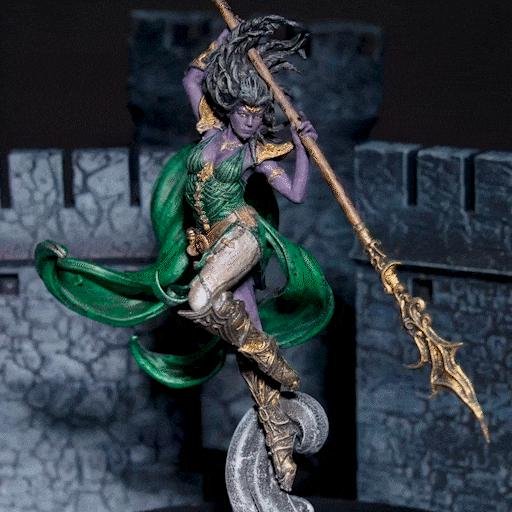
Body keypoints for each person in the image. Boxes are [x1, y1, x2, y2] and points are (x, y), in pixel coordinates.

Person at [35, 16, 334, 492]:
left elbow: (296, 194)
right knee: (246, 341)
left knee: (200, 301)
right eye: (244, 111)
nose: (251, 120)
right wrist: (227, 38)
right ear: (230, 107)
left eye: (259, 114)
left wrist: (301, 146)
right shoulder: (209, 129)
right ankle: (278, 436)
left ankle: (275, 363)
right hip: (209, 246)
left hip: (243, 238)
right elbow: (191, 78)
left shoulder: (257, 154)